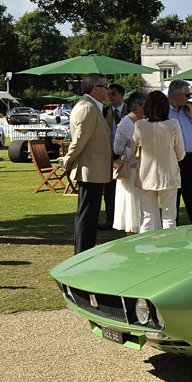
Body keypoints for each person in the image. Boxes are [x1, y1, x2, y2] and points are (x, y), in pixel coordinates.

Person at [60, 74, 114, 254]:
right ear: (95, 89)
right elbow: (79, 141)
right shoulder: (87, 108)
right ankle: (82, 254)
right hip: (89, 170)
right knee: (87, 216)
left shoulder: (92, 107)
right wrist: (68, 160)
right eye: (106, 86)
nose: (109, 90)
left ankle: (84, 252)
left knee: (89, 216)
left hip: (94, 170)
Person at [132, 91, 185, 232]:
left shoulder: (140, 125)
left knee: (147, 217)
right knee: (169, 217)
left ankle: (146, 251)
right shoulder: (173, 124)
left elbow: (133, 151)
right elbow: (180, 152)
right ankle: (168, 250)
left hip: (146, 174)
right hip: (168, 173)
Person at [167, 79, 192, 226]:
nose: (189, 98)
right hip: (170, 159)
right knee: (172, 197)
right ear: (177, 95)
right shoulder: (163, 110)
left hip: (188, 159)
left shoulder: (191, 108)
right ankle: (171, 228)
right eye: (188, 95)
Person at [113, 90, 146, 235]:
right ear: (138, 106)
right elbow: (117, 148)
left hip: (142, 168)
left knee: (143, 205)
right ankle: (131, 236)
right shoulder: (124, 124)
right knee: (131, 207)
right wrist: (134, 148)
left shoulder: (144, 121)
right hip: (130, 171)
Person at [100, 83, 125, 231]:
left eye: (113, 94)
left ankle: (127, 219)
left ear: (121, 95)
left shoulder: (130, 112)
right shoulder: (104, 112)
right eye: (109, 94)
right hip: (109, 153)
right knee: (110, 188)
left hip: (126, 154)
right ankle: (110, 219)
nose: (110, 97)